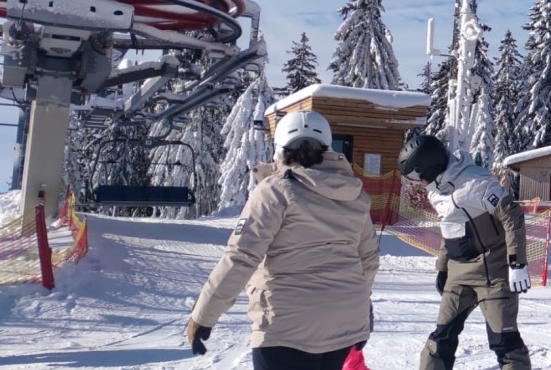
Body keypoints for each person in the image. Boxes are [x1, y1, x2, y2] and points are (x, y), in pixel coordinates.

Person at [186, 110, 379, 370]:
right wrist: (358, 310)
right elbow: (368, 260)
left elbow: (242, 256)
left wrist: (204, 315)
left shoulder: (275, 191)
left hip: (287, 329)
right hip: (344, 326)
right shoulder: (354, 194)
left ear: (280, 147)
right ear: (326, 146)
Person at [399, 134, 532, 370]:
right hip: (458, 273)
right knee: (440, 339)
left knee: (504, 343)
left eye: (416, 177)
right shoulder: (436, 190)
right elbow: (449, 226)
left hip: (493, 272)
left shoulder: (475, 182)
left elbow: (511, 215)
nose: (418, 183)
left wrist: (517, 263)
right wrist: (442, 268)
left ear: (428, 168)